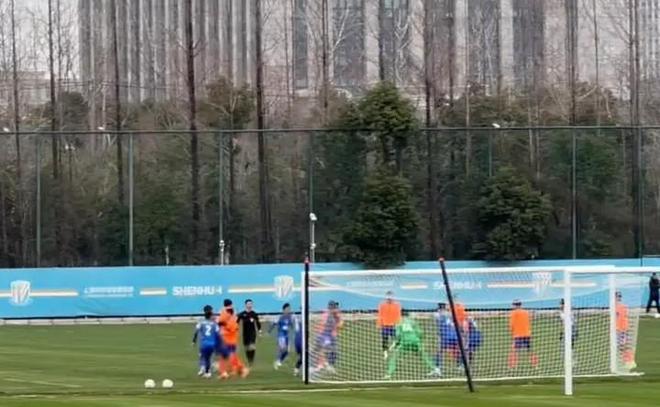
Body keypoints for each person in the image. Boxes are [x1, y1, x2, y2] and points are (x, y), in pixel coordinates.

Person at [385, 310, 440, 380]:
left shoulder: (398, 322)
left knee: (394, 357)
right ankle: (435, 369)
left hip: (405, 343)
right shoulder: (413, 322)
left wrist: (395, 344)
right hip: (416, 342)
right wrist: (421, 342)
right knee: (424, 355)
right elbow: (420, 333)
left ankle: (389, 374)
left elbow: (398, 335)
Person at [217, 299, 249, 378]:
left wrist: (221, 324)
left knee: (230, 355)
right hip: (229, 337)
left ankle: (242, 369)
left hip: (229, 338)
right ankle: (226, 372)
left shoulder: (226, 312)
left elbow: (222, 322)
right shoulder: (231, 313)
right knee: (226, 355)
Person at [312, 300, 342, 374]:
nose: (335, 308)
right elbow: (323, 325)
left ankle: (328, 365)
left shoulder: (335, 315)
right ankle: (319, 365)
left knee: (334, 351)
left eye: (335, 307)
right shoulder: (326, 315)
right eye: (333, 307)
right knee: (324, 349)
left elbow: (340, 323)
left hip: (331, 336)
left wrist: (338, 323)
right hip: (324, 335)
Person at [508, 300, 539, 369]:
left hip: (518, 335)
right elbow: (528, 322)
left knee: (515, 351)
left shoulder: (513, 313)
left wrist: (512, 331)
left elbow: (511, 325)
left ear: (514, 305)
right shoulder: (526, 312)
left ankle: (513, 366)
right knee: (530, 350)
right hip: (527, 334)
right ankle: (535, 365)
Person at [192, 305, 221, 378]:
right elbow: (218, 333)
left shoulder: (201, 322)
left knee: (202, 355)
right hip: (212, 343)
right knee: (208, 356)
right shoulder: (214, 322)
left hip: (204, 343)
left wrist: (194, 341)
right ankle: (207, 369)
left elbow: (196, 331)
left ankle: (205, 370)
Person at [270, 303, 295, 370]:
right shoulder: (280, 317)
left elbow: (291, 325)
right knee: (283, 349)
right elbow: (273, 324)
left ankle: (278, 361)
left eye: (289, 309)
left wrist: (293, 330)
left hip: (286, 336)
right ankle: (277, 361)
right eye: (287, 309)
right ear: (284, 309)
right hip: (281, 336)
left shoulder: (290, 317)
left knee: (286, 352)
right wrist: (269, 331)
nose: (289, 310)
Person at [435, 303, 459, 371]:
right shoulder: (450, 314)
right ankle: (460, 365)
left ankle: (438, 368)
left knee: (439, 351)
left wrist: (439, 335)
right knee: (456, 351)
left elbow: (439, 325)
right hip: (453, 335)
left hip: (445, 336)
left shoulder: (437, 315)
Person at [237, 299, 262, 366]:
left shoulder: (254, 314)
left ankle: (252, 359)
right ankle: (249, 360)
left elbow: (258, 323)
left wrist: (259, 331)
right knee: (247, 347)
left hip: (252, 333)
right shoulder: (242, 314)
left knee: (252, 346)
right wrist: (236, 329)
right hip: (245, 333)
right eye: (248, 304)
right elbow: (237, 322)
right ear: (245, 305)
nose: (250, 305)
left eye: (251, 304)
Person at [378, 291, 402, 359]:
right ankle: (385, 353)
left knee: (397, 339)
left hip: (393, 325)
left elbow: (398, 315)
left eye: (391, 297)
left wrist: (398, 323)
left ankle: (396, 349)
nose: (389, 299)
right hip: (385, 325)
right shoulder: (382, 305)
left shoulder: (397, 305)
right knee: (384, 340)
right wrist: (380, 323)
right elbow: (380, 315)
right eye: (388, 297)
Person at [616, 292, 636, 370]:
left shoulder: (621, 306)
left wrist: (621, 328)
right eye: (617, 296)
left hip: (622, 329)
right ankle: (627, 361)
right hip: (619, 329)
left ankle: (629, 361)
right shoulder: (617, 306)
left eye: (619, 297)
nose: (618, 298)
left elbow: (622, 318)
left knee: (623, 346)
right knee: (621, 347)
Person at [294, 311, 303, 376]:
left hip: (297, 341)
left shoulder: (297, 319)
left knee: (302, 357)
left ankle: (296, 370)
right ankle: (297, 369)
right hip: (300, 341)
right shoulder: (301, 323)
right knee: (304, 356)